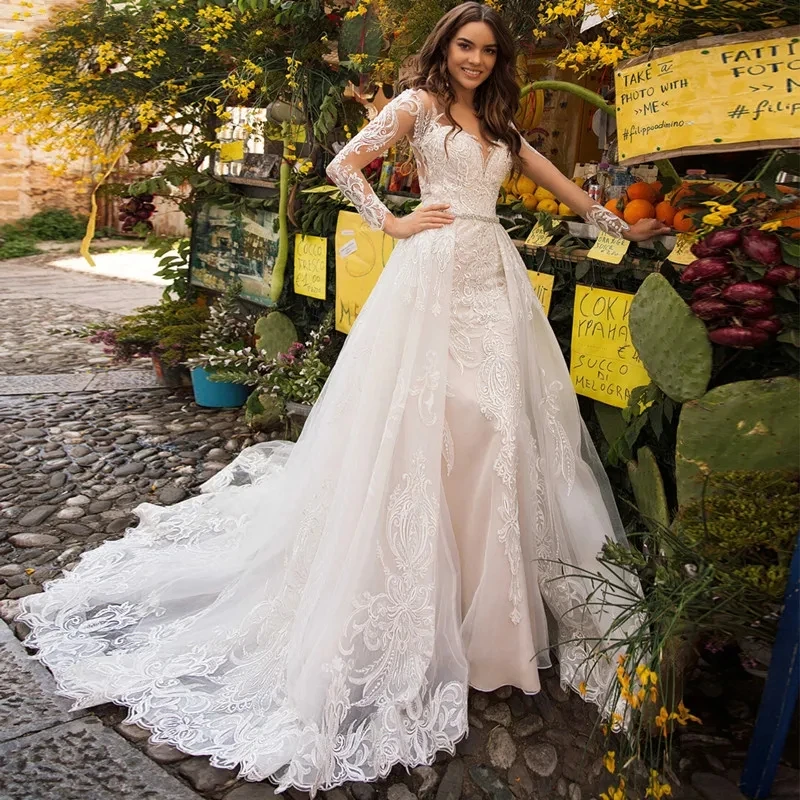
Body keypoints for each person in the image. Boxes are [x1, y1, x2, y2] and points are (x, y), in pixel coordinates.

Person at [18, 2, 669, 794]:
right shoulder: (419, 106)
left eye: (488, 50)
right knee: (430, 424)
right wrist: (393, 223)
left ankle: (492, 616)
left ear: (501, 60)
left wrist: (615, 222)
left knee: (500, 427)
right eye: (465, 45)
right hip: (431, 276)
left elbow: (557, 182)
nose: (474, 59)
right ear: (446, 48)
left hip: (494, 283)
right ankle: (416, 595)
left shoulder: (498, 122)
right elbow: (341, 166)